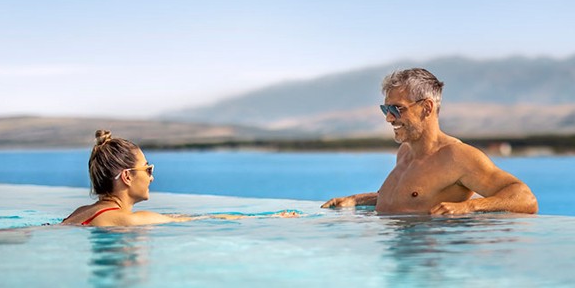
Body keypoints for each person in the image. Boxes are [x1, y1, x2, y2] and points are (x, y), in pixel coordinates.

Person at [321, 68, 539, 215]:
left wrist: (469, 206)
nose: (388, 118)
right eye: (385, 109)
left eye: (396, 109)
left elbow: (525, 198)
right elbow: (409, 198)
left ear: (426, 108)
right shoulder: (405, 152)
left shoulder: (457, 156)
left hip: (426, 266)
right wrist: (356, 200)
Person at [61, 130, 297, 227]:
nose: (152, 178)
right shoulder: (129, 221)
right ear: (127, 176)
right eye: (148, 169)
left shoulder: (80, 212)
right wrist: (271, 218)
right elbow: (200, 220)